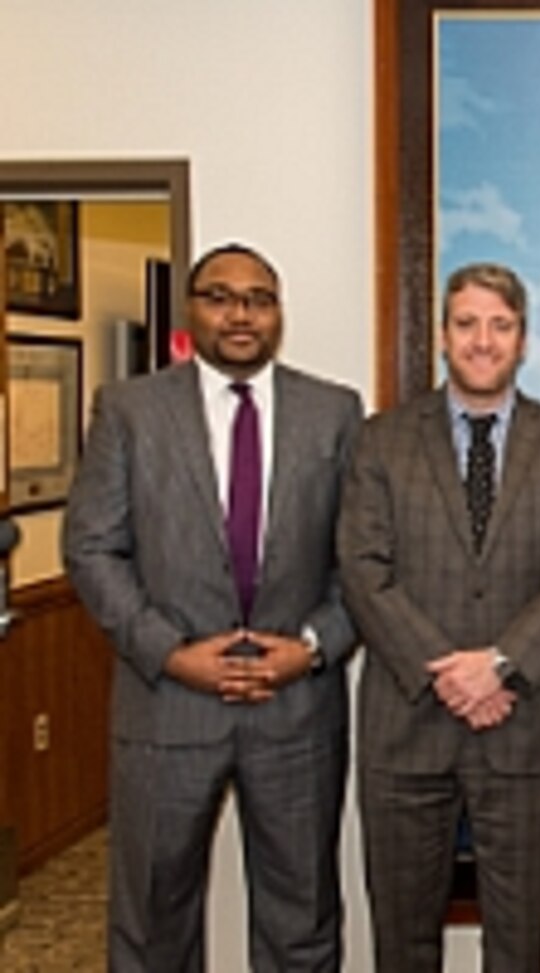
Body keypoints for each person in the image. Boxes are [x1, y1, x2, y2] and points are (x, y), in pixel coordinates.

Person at [63, 243, 363, 972]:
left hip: (296, 711)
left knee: (303, 925)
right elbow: (91, 547)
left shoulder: (334, 411)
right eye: (220, 296)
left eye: (258, 298)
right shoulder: (131, 410)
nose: (240, 313)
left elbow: (364, 560)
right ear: (191, 308)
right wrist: (169, 651)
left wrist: (315, 646)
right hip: (167, 706)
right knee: (151, 925)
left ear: (278, 313)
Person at [338, 262, 540, 972]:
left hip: (524, 725)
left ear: (522, 340)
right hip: (406, 728)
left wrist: (497, 664)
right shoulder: (381, 440)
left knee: (518, 946)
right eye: (467, 323)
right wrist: (447, 673)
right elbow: (364, 570)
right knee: (402, 942)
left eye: (500, 324)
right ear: (442, 336)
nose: (482, 340)